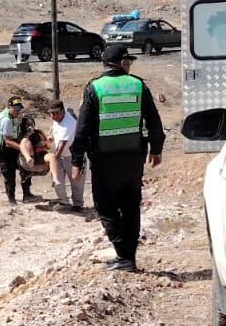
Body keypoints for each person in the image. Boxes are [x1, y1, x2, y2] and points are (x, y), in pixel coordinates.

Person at [72, 43, 164, 272]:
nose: (130, 66)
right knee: (131, 206)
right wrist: (156, 148)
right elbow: (153, 119)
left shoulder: (95, 88)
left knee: (105, 206)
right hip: (133, 159)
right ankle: (128, 257)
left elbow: (82, 128)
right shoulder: (138, 85)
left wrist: (76, 160)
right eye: (129, 61)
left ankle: (124, 256)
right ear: (123, 63)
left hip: (104, 162)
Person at [37, 100, 85, 211]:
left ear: (62, 111)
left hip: (73, 156)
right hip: (61, 155)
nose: (54, 116)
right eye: (52, 113)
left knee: (76, 181)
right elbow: (54, 132)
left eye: (56, 113)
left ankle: (78, 205)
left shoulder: (69, 123)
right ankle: (63, 202)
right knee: (57, 179)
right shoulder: (58, 118)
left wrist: (52, 159)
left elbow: (61, 146)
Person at [0, 96, 32, 205]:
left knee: (25, 168)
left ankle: (27, 194)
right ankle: (12, 199)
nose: (17, 112)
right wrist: (23, 149)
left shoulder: (13, 116)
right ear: (9, 107)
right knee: (9, 174)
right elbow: (8, 141)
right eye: (15, 109)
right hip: (4, 149)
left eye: (19, 109)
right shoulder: (6, 120)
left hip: (13, 145)